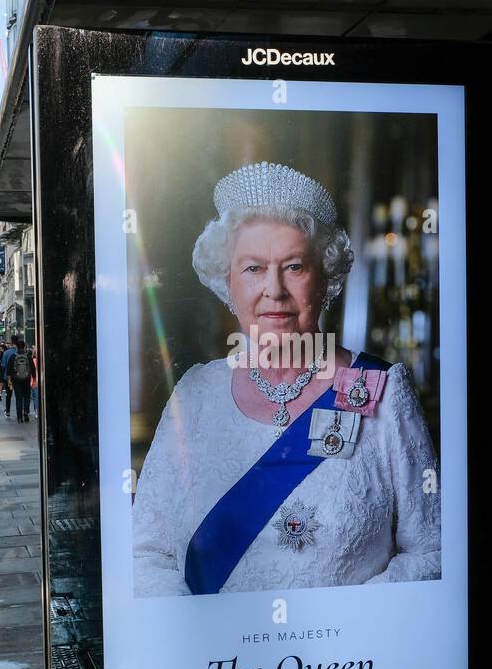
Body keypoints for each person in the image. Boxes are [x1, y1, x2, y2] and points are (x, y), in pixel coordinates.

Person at [131, 161, 440, 596]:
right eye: (253, 268)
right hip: (225, 664)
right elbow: (147, 552)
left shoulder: (381, 391)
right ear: (228, 283)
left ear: (325, 278)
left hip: (344, 664)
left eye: (294, 266)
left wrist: (348, 633)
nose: (273, 289)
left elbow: (430, 550)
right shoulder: (195, 396)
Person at [8, 338, 33, 423]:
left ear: (17, 347)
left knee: (18, 398)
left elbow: (9, 370)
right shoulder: (28, 357)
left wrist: (9, 380)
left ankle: (19, 417)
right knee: (27, 397)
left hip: (16, 380)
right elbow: (32, 369)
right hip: (26, 379)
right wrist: (35, 379)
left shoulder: (13, 357)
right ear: (24, 347)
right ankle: (26, 412)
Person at [0, 338, 19, 418]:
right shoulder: (19, 352)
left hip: (8, 377)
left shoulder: (6, 353)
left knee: (9, 395)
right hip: (18, 376)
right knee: (19, 395)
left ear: (11, 343)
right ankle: (20, 412)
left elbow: (3, 365)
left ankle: (7, 411)